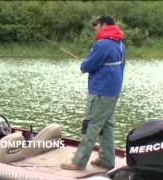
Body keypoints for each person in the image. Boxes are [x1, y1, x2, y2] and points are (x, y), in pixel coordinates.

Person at [61, 16, 126, 170]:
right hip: (113, 91)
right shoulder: (120, 43)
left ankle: (78, 162)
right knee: (107, 126)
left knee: (91, 125)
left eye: (96, 25)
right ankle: (107, 160)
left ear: (104, 25)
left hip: (100, 92)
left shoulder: (102, 44)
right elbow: (119, 67)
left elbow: (89, 65)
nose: (95, 28)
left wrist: (83, 66)